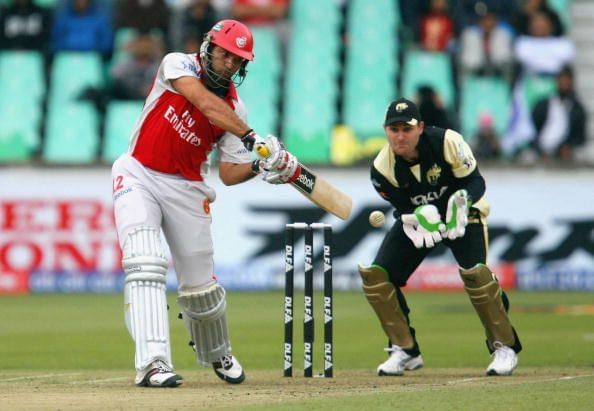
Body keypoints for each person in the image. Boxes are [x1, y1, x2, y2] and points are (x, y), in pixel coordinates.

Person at [111, 19, 300, 387]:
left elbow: (229, 173)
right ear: (209, 46)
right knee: (145, 262)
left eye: (238, 60)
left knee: (202, 290)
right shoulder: (176, 65)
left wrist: (263, 164)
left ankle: (218, 353)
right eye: (225, 54)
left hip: (188, 190)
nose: (230, 63)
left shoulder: (236, 110)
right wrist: (252, 138)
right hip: (139, 173)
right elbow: (200, 101)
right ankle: (153, 364)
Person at [359, 98, 522, 377]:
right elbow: (403, 206)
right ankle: (405, 350)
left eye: (407, 129)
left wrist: (464, 199)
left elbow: (476, 181)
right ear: (385, 130)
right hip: (422, 222)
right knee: (378, 277)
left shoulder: (448, 141)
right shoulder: (381, 168)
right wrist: (415, 215)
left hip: (463, 215)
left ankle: (503, 347)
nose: (400, 136)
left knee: (477, 276)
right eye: (394, 129)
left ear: (420, 128)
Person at [531, 65, 587, 160]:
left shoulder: (577, 109)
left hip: (564, 153)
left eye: (567, 80)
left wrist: (569, 146)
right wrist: (538, 149)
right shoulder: (543, 105)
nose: (564, 83)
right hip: (541, 151)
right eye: (561, 79)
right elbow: (532, 130)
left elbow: (580, 138)